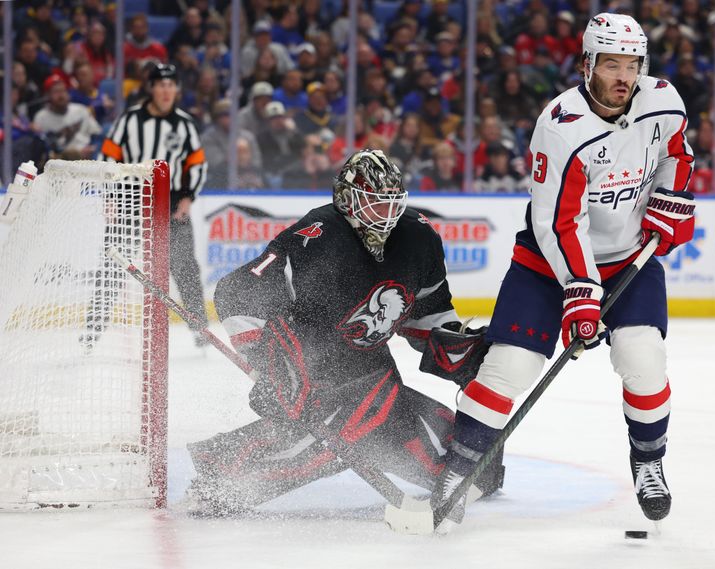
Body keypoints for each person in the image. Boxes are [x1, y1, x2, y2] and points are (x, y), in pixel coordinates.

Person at [432, 13, 696, 528]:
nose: (624, 76)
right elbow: (560, 223)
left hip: (628, 259)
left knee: (643, 357)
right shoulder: (560, 127)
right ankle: (456, 471)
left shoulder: (662, 101)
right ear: (587, 65)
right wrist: (582, 292)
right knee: (510, 368)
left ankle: (648, 462)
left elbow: (678, 154)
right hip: (547, 264)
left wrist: (670, 200)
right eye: (612, 64)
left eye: (633, 64)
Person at [186, 149, 505, 515]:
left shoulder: (419, 239)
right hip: (313, 370)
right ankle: (224, 476)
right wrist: (269, 363)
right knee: (348, 430)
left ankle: (239, 460)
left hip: (373, 372)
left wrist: (460, 354)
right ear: (347, 201)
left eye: (391, 206)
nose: (386, 218)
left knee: (481, 471)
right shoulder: (319, 236)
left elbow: (427, 315)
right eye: (375, 205)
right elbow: (239, 291)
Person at [97, 63, 210, 348]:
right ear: (151, 88)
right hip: (130, 198)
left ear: (177, 90)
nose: (166, 90)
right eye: (161, 84)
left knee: (185, 267)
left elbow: (196, 163)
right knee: (112, 265)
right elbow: (109, 156)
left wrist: (188, 196)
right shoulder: (130, 119)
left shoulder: (184, 123)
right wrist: (110, 195)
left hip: (171, 203)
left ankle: (199, 327)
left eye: (171, 84)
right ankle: (93, 327)